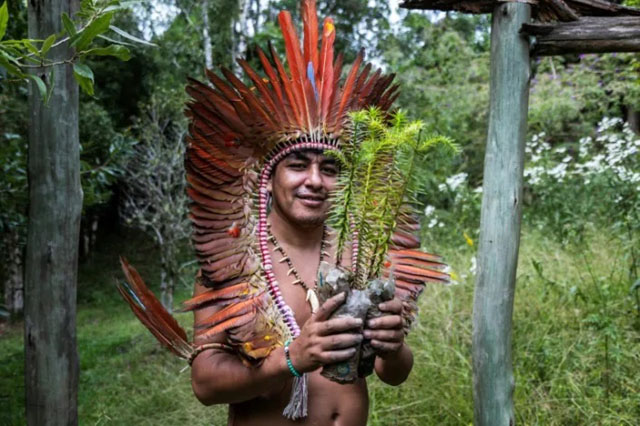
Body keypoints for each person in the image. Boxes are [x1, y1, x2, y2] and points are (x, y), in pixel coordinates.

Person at [190, 149, 413, 425]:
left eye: (330, 170)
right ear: (268, 178)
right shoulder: (231, 263)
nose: (316, 180)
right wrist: (291, 359)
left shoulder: (361, 255)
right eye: (298, 166)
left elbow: (394, 374)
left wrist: (394, 349)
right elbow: (204, 385)